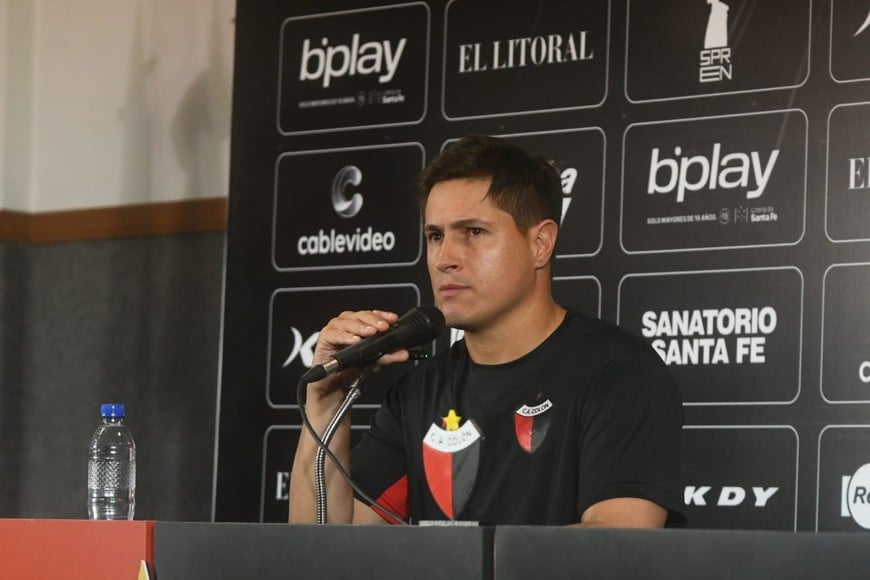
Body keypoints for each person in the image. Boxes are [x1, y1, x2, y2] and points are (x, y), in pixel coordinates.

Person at [289, 135, 683, 526]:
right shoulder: (418, 391)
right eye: (435, 236)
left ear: (541, 243)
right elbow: (326, 548)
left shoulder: (620, 374)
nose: (445, 259)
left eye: (473, 232)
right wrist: (326, 402)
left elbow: (617, 543)